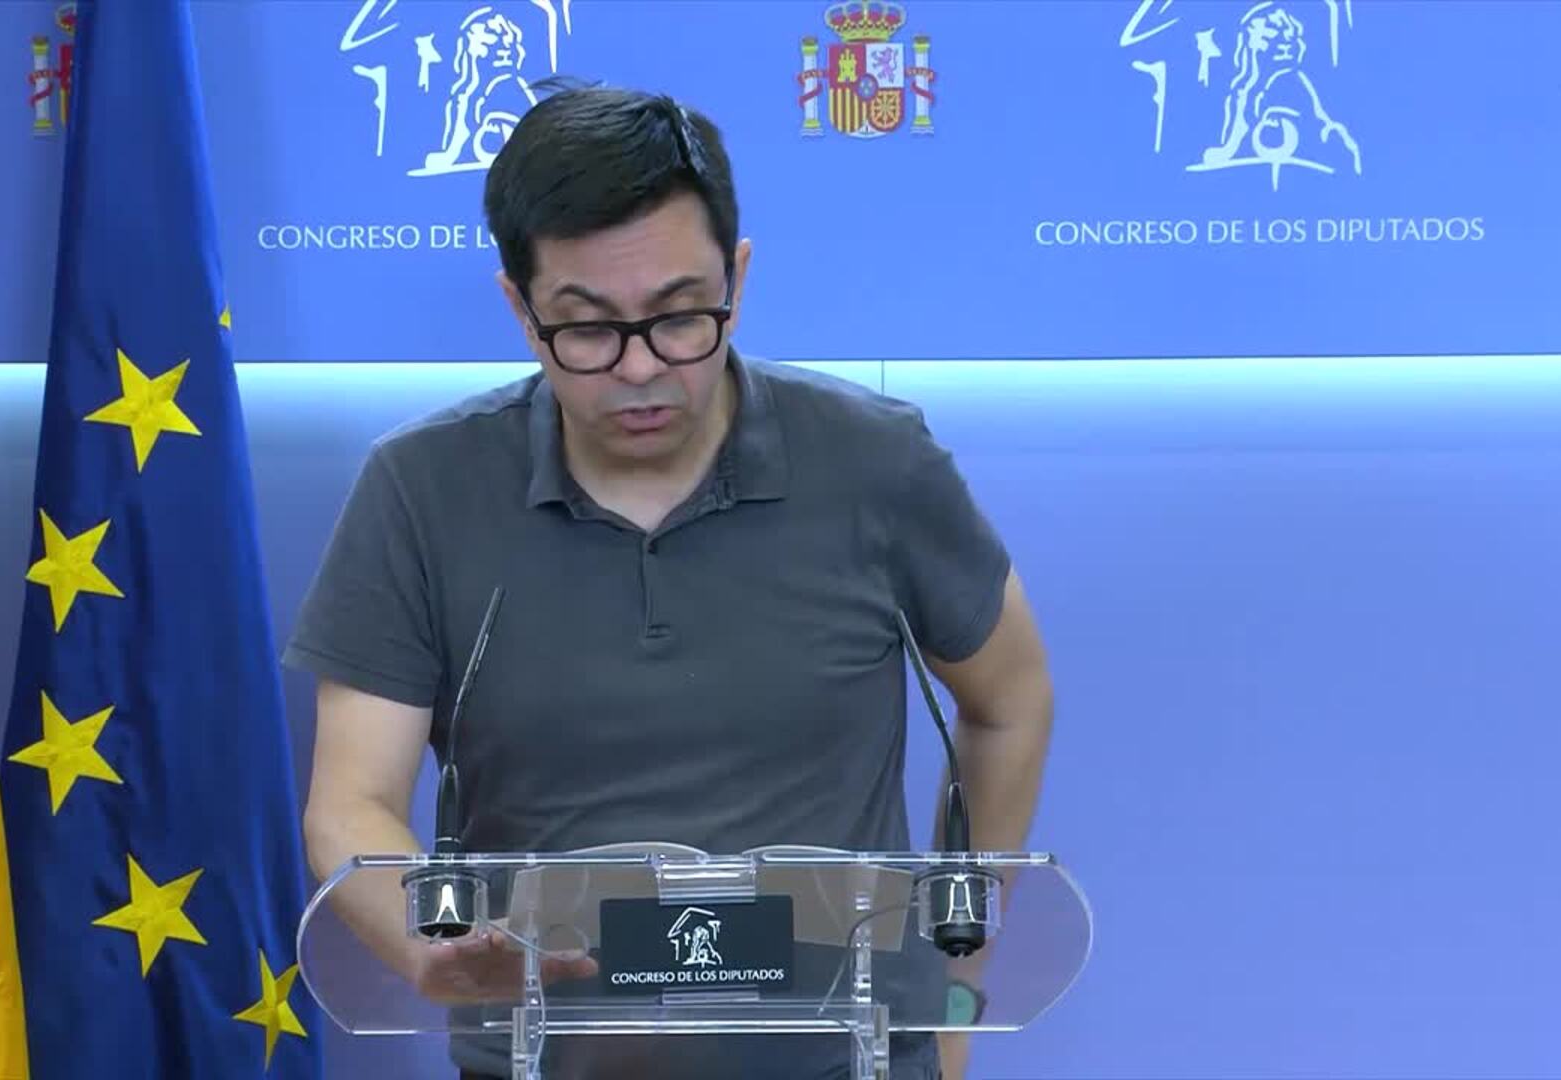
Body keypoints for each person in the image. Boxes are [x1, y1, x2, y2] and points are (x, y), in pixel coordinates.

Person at [286, 84, 1054, 1080]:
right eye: (588, 329)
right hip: (549, 1057)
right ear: (521, 309)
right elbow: (350, 801)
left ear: (738, 276)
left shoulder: (878, 463)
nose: (642, 369)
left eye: (681, 317)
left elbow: (1011, 700)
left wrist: (957, 983)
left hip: (848, 1057)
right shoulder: (422, 488)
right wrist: (424, 943)